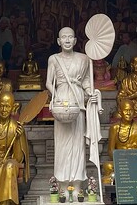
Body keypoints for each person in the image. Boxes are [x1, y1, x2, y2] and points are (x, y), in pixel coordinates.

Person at [46, 27, 99, 196]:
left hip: (78, 102)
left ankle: (77, 186)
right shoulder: (53, 59)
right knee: (62, 145)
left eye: (70, 37)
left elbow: (86, 83)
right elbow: (48, 82)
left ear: (75, 40)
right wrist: (55, 97)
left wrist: (93, 93)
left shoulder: (84, 59)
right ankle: (61, 187)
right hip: (61, 100)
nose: (67, 40)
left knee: (77, 145)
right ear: (58, 41)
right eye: (64, 37)